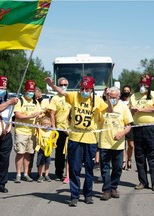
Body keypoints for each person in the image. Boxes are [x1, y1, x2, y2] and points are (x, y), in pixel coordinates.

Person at [45, 76, 108, 207]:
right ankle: (74, 195)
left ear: (92, 89)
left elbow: (109, 110)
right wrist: (51, 85)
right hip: (74, 137)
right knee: (74, 168)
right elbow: (62, 92)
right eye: (82, 88)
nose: (84, 91)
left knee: (89, 169)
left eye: (87, 89)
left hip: (90, 139)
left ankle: (88, 194)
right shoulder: (74, 96)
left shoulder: (97, 100)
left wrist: (107, 98)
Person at [129, 74, 154, 191]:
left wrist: (141, 109)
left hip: (152, 128)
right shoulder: (134, 96)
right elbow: (130, 111)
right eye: (141, 84)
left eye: (145, 85)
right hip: (138, 127)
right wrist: (133, 111)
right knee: (139, 156)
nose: (142, 86)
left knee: (153, 156)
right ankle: (143, 181)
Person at [99, 87, 133, 201]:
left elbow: (129, 125)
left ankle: (114, 187)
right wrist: (107, 98)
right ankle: (106, 190)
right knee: (105, 168)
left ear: (119, 97)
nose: (112, 99)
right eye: (111, 97)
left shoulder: (123, 107)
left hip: (118, 144)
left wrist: (122, 133)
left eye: (114, 97)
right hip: (104, 142)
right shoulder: (103, 105)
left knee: (117, 167)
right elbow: (109, 110)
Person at [14, 80, 41, 183]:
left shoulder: (35, 102)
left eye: (32, 91)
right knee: (20, 153)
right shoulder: (20, 101)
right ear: (25, 91)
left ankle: (26, 173)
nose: (30, 93)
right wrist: (32, 115)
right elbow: (18, 115)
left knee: (28, 153)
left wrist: (39, 117)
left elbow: (39, 113)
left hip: (32, 132)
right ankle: (18, 174)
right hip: (21, 131)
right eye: (28, 91)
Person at [48, 77, 71, 181]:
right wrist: (53, 128)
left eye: (65, 85)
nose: (63, 86)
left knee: (71, 152)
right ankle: (59, 173)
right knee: (60, 152)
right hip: (60, 128)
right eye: (61, 85)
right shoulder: (55, 98)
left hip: (71, 129)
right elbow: (52, 114)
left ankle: (70, 173)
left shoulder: (69, 96)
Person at [35, 116, 56, 183]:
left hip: (48, 149)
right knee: (40, 163)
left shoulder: (51, 132)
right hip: (41, 149)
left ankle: (46, 175)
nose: (46, 125)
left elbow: (54, 136)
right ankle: (40, 175)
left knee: (47, 163)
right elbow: (37, 126)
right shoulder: (40, 130)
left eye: (47, 124)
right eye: (44, 124)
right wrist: (38, 119)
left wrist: (53, 127)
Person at [120, 85, 134, 171]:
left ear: (130, 92)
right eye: (125, 90)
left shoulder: (132, 101)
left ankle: (129, 158)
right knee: (122, 145)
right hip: (121, 124)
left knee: (131, 145)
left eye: (127, 90)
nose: (126, 92)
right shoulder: (120, 101)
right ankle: (124, 161)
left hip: (130, 124)